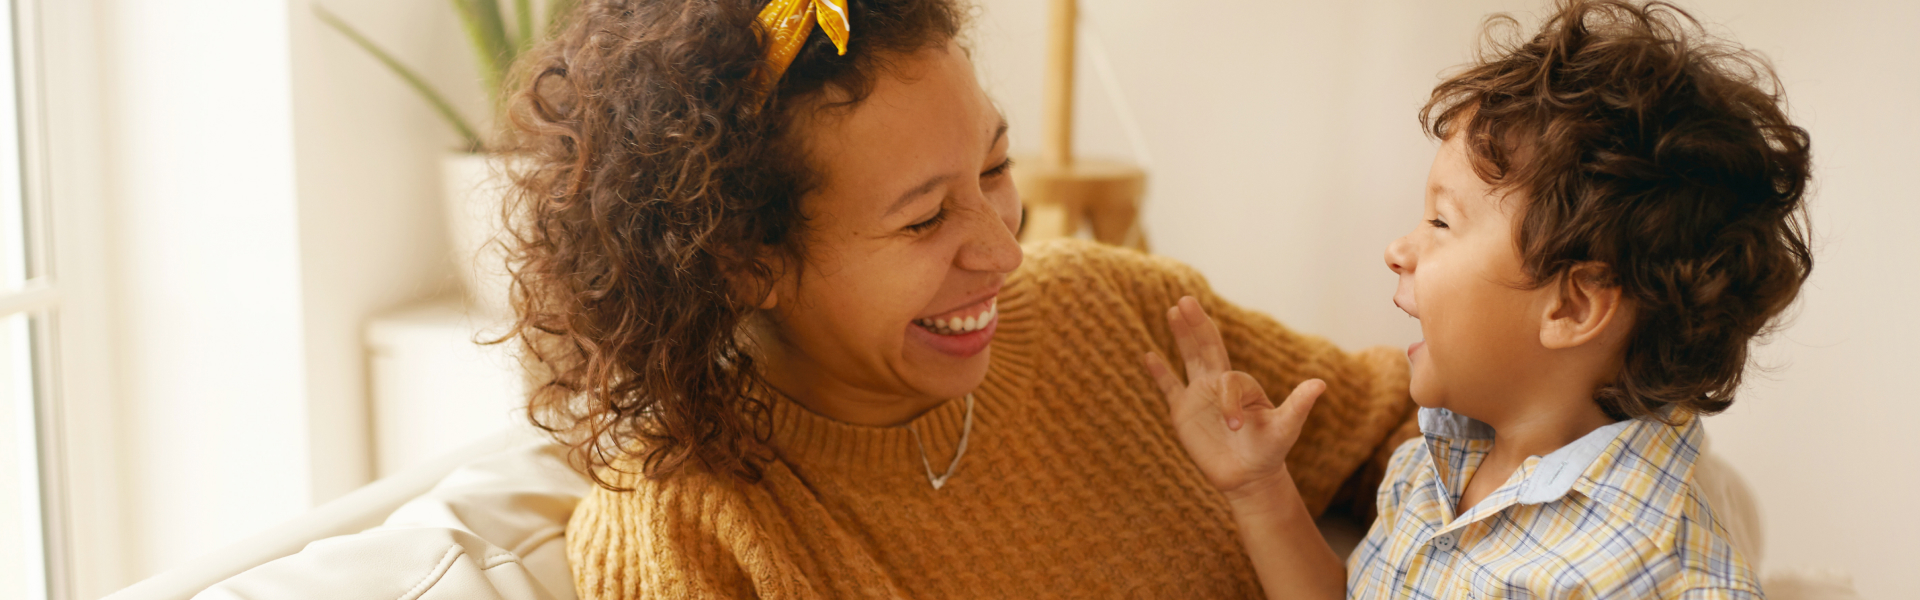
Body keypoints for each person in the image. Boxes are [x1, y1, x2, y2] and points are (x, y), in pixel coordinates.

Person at [498, 0, 1417, 597]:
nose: (1007, 250)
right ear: (746, 260)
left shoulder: (1114, 309)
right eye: (927, 219)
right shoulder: (691, 536)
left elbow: (1409, 422)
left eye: (996, 167)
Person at [1147, 1, 1811, 598]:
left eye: (1441, 223)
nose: (1397, 250)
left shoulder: (1654, 568)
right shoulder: (1430, 466)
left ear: (1573, 308)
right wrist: (1258, 488)